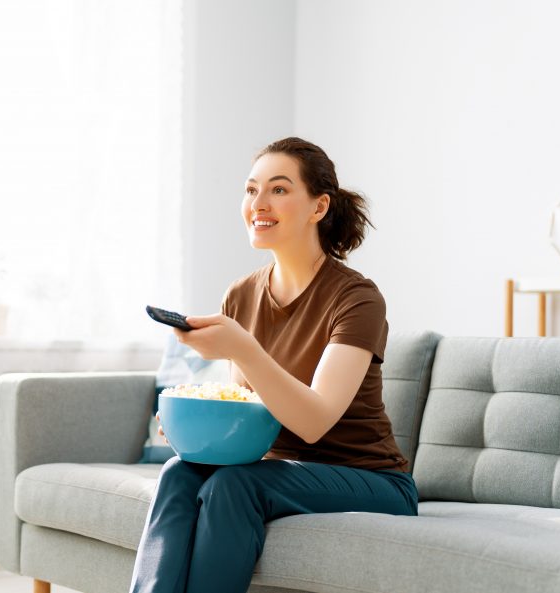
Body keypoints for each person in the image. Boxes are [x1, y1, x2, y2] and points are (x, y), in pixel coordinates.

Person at [128, 137, 418, 593]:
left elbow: (314, 421)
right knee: (180, 472)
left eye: (279, 190)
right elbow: (251, 413)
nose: (258, 203)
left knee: (235, 486)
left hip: (371, 479)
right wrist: (197, 427)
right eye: (250, 190)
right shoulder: (240, 296)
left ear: (318, 207)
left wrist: (244, 348)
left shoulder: (357, 299)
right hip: (280, 471)